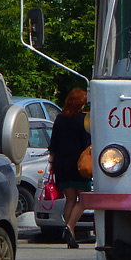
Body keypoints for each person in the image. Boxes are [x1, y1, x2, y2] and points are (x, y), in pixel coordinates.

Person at [47, 87, 91, 248]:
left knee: (70, 199)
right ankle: (70, 226)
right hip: (79, 164)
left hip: (61, 164)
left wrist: (51, 164)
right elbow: (88, 141)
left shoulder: (59, 118)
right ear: (81, 103)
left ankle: (70, 234)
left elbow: (53, 143)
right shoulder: (84, 119)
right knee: (85, 198)